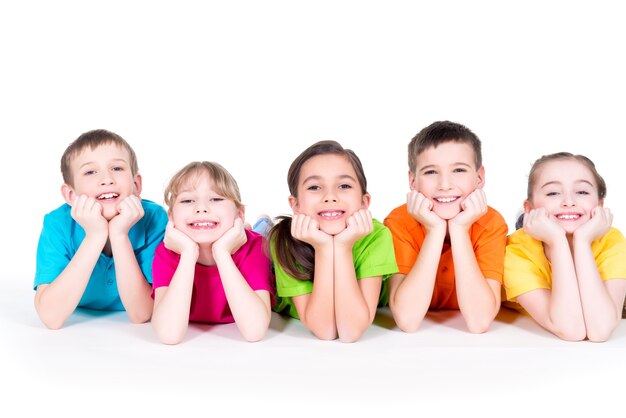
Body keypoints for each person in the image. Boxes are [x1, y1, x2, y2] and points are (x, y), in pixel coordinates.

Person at [34, 129, 168, 329]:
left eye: (117, 168)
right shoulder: (57, 223)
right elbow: (51, 317)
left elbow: (141, 314)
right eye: (90, 171)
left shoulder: (154, 218)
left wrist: (119, 235)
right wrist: (95, 236)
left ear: (136, 184)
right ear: (71, 195)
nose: (107, 179)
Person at [384, 121, 507, 333]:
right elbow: (407, 320)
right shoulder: (399, 221)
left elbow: (479, 322)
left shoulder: (491, 223)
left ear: (479, 178)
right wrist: (435, 230)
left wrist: (459, 230)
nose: (445, 184)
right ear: (413, 181)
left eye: (459, 170)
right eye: (431, 172)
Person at [269, 140, 398, 343]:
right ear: (295, 205)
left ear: (364, 202)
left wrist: (343, 247)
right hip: (272, 247)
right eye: (314, 187)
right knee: (262, 239)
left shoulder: (377, 235)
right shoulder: (286, 240)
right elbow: (326, 330)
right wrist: (323, 248)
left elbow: (350, 331)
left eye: (344, 185)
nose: (330, 197)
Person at [504, 152, 626, 341]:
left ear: (600, 205)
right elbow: (571, 329)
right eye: (553, 193)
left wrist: (583, 241)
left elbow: (600, 330)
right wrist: (557, 241)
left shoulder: (611, 240)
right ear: (530, 208)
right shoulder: (517, 251)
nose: (569, 202)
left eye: (582, 192)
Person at [151, 162, 273, 344]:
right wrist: (188, 253)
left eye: (216, 199)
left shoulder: (255, 247)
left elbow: (254, 331)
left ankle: (263, 223)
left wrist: (222, 253)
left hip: (253, 238)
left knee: (266, 235)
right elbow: (169, 335)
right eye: (187, 200)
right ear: (171, 217)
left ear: (239, 214)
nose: (201, 208)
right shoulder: (166, 252)